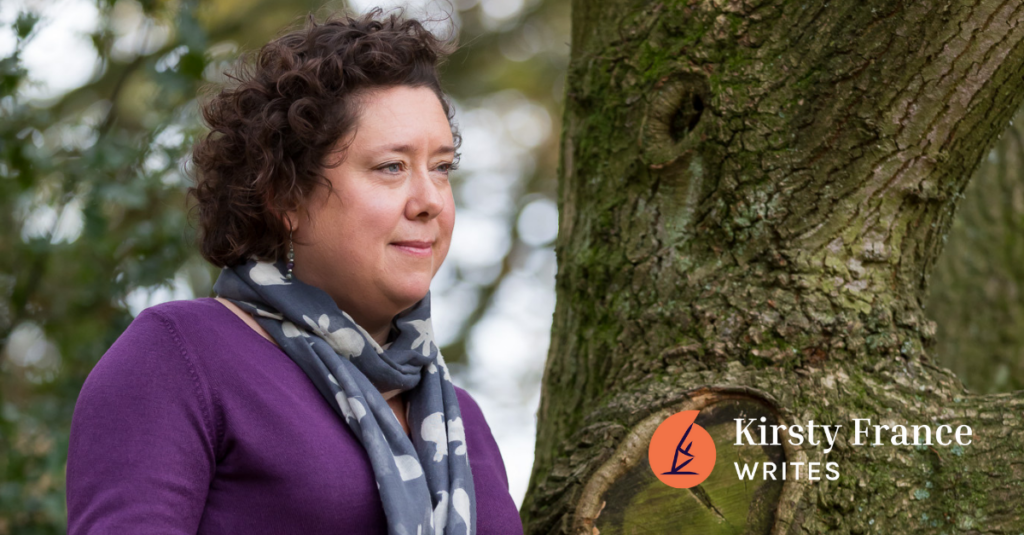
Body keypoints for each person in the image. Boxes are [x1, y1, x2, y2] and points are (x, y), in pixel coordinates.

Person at [66, 10, 524, 535]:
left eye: (441, 168)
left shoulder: (460, 420)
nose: (430, 201)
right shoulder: (180, 356)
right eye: (391, 167)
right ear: (286, 195)